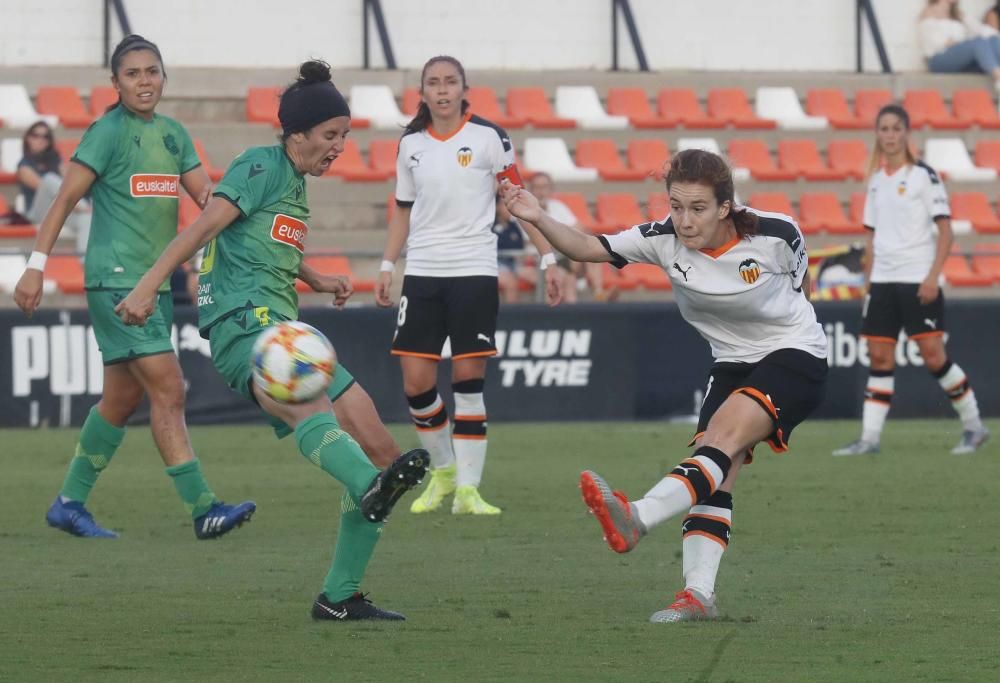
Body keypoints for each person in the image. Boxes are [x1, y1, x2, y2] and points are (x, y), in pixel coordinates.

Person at [115, 60, 428, 621]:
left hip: (284, 325)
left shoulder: (293, 182)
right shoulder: (259, 164)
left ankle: (339, 595)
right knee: (341, 440)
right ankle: (368, 488)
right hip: (244, 326)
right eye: (331, 136)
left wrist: (315, 277)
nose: (339, 148)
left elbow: (260, 239)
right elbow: (203, 227)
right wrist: (147, 288)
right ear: (297, 133)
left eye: (345, 137)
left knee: (382, 448)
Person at [502, 148, 829, 622]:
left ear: (724, 207)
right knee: (714, 473)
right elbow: (589, 247)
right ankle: (698, 595)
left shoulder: (776, 234)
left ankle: (636, 517)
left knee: (721, 440)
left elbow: (802, 291)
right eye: (676, 206)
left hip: (794, 352)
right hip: (731, 362)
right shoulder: (661, 239)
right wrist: (537, 216)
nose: (684, 220)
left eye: (697, 209)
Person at [13, 35, 254, 540]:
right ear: (115, 83)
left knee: (121, 402)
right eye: (133, 74)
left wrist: (243, 198)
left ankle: (69, 503)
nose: (145, 81)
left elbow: (206, 198)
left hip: (155, 284)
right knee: (169, 389)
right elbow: (60, 201)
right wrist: (36, 265)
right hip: (116, 281)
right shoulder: (106, 133)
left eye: (152, 71)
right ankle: (203, 507)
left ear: (163, 76)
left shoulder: (173, 134)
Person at [375, 55, 563, 516]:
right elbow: (402, 208)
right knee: (416, 384)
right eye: (433, 83)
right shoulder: (411, 144)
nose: (442, 90)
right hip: (422, 272)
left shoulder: (490, 138)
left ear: (463, 89)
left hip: (475, 271)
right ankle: (442, 471)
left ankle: (469, 490)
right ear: (422, 92)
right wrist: (386, 264)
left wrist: (548, 257)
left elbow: (519, 201)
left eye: (450, 82)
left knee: (467, 380)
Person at [833, 104, 989, 456]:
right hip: (884, 283)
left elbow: (946, 232)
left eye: (895, 128)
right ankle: (869, 439)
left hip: (918, 278)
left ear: (906, 133)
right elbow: (871, 238)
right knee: (880, 357)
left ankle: (974, 426)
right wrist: (869, 282)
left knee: (934, 356)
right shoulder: (875, 182)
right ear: (877, 134)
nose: (889, 135)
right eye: (883, 128)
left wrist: (932, 277)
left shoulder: (924, 176)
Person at [526, 171, 617, 303]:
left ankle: (598, 293)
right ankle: (591, 289)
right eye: (537, 187)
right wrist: (565, 239)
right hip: (538, 259)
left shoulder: (557, 206)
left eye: (545, 187)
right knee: (569, 275)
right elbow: (533, 239)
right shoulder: (524, 210)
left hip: (562, 254)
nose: (541, 192)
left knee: (593, 248)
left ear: (551, 189)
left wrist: (569, 241)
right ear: (531, 190)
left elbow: (579, 227)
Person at [16, 121, 92, 255]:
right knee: (49, 179)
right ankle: (82, 205)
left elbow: (70, 182)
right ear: (28, 138)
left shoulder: (55, 160)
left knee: (86, 218)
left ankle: (84, 265)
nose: (40, 140)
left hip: (58, 209)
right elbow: (44, 186)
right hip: (38, 213)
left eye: (45, 137)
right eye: (36, 135)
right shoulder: (24, 165)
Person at [918, 0, 1000, 92]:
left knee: (992, 39)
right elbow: (933, 43)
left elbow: (982, 30)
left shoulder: (958, 14)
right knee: (978, 43)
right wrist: (956, 44)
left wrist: (994, 37)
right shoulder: (929, 12)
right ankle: (998, 77)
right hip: (938, 60)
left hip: (959, 59)